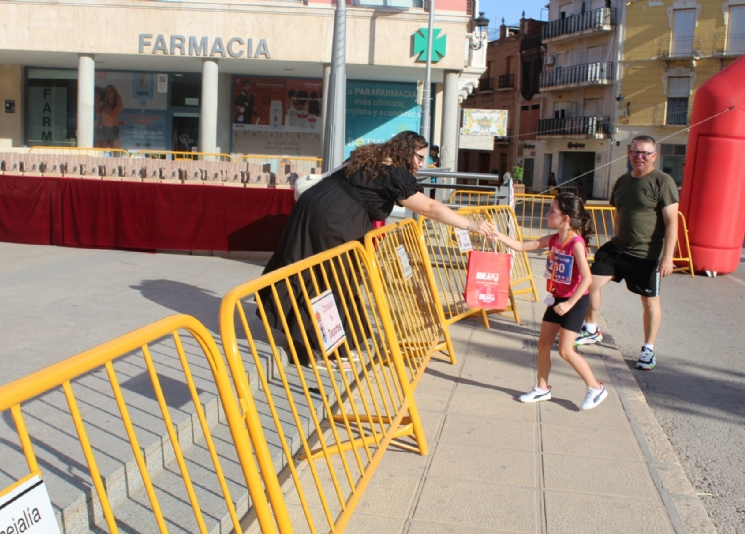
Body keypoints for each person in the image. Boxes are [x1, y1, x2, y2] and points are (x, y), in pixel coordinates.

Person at [260, 131, 493, 369]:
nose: (421, 164)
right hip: (332, 222)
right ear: (405, 151)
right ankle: (323, 351)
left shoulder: (371, 158)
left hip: (315, 211)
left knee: (316, 276)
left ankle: (322, 345)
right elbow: (429, 207)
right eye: (419, 157)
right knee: (331, 282)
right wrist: (469, 224)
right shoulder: (392, 174)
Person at [490, 193, 608, 410]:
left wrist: (570, 304)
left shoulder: (576, 244)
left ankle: (595, 388)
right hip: (557, 299)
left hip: (574, 302)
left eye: (553, 210)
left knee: (565, 351)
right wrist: (497, 235)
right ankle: (542, 389)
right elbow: (522, 246)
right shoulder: (554, 239)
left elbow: (588, 279)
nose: (547, 213)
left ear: (566, 218)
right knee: (543, 344)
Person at [574, 135, 679, 371]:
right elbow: (618, 213)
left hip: (646, 255)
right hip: (618, 248)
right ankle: (591, 329)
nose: (639, 157)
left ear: (654, 156)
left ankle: (648, 350)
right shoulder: (622, 181)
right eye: (635, 152)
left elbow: (672, 222)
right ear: (629, 154)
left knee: (650, 302)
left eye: (645, 153)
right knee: (588, 283)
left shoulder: (663, 181)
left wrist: (667, 257)